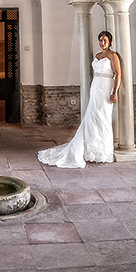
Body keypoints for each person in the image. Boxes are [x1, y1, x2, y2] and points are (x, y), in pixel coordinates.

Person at [38, 30, 121, 168]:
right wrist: (91, 88)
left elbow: (118, 74)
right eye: (100, 40)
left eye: (105, 40)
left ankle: (102, 151)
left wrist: (115, 92)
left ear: (110, 41)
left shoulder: (113, 55)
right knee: (91, 117)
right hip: (96, 87)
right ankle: (90, 148)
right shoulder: (98, 55)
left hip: (106, 87)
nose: (102, 43)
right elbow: (94, 75)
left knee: (103, 118)